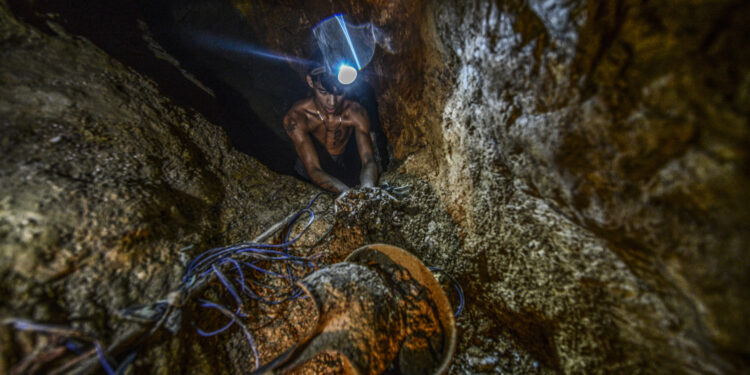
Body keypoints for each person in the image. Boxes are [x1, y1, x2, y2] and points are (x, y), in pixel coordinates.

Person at [283, 64, 378, 193]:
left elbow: (368, 160)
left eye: (339, 93)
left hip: (341, 165)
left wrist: (368, 188)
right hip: (308, 170)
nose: (332, 102)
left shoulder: (355, 113)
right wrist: (348, 194)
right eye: (323, 92)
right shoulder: (297, 117)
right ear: (310, 82)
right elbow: (313, 169)